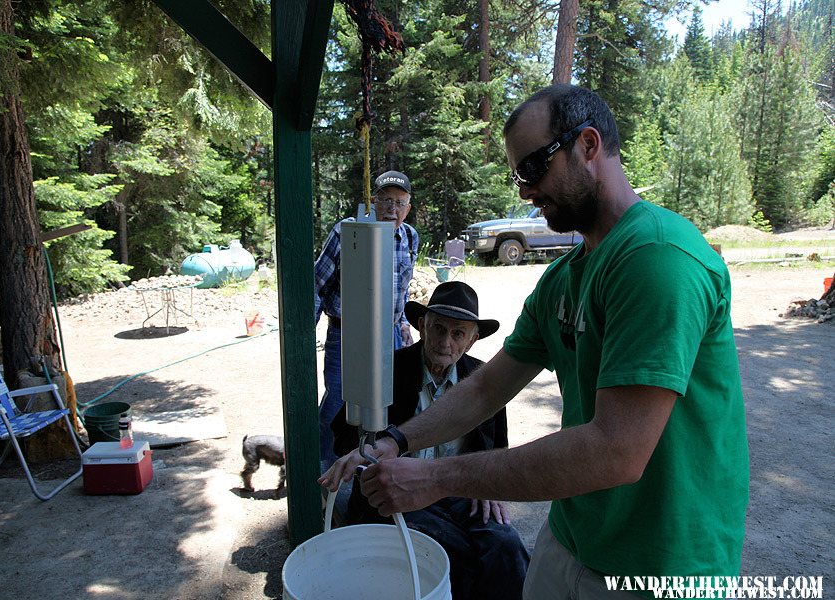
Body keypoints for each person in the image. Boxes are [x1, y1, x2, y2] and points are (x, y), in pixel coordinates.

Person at [321, 85, 749, 599]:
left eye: (534, 168)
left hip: (663, 562)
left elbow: (617, 451)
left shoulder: (656, 258)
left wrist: (437, 479)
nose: (524, 190)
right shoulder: (564, 278)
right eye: (517, 174)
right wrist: (397, 440)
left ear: (588, 146)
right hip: (574, 536)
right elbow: (482, 392)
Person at [330, 281, 529, 600]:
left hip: (462, 489)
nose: (444, 342)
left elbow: (497, 446)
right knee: (448, 550)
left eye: (458, 333)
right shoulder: (386, 371)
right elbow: (342, 435)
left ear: (473, 339)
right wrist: (369, 453)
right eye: (438, 328)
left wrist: (492, 484)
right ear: (422, 325)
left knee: (506, 546)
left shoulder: (485, 381)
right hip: (398, 490)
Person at [315, 170, 419, 468]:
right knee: (338, 403)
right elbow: (317, 283)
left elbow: (403, 285)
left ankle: (374, 465)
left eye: (400, 203)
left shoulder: (410, 237)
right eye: (386, 200)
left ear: (408, 207)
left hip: (391, 333)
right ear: (374, 202)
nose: (392, 209)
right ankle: (321, 468)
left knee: (389, 402)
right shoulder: (347, 232)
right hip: (347, 333)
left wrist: (402, 324)